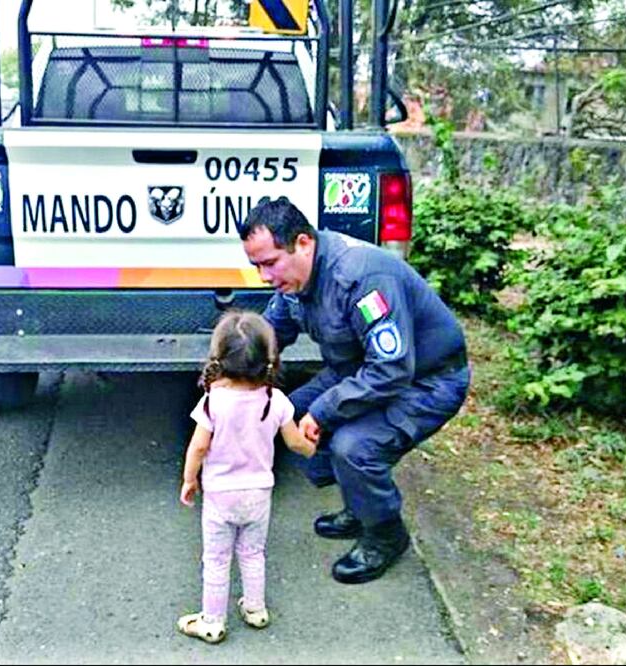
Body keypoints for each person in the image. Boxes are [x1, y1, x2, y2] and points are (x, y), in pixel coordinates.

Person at [237, 197, 470, 585]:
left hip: (428, 380)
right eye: (256, 265)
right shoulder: (295, 276)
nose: (264, 276)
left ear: (303, 243)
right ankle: (361, 502)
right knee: (284, 413)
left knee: (353, 445)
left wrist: (324, 411)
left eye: (270, 262)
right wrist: (236, 377)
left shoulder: (361, 279)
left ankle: (385, 534)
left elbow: (392, 369)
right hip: (360, 371)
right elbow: (272, 332)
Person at [176, 310, 316, 644]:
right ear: (268, 359)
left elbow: (197, 448)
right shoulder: (276, 400)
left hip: (221, 496)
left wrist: (189, 480)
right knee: (253, 553)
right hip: (259, 495)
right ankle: (255, 610)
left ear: (219, 358)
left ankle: (212, 621)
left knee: (217, 559)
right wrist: (314, 447)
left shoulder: (213, 402)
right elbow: (295, 442)